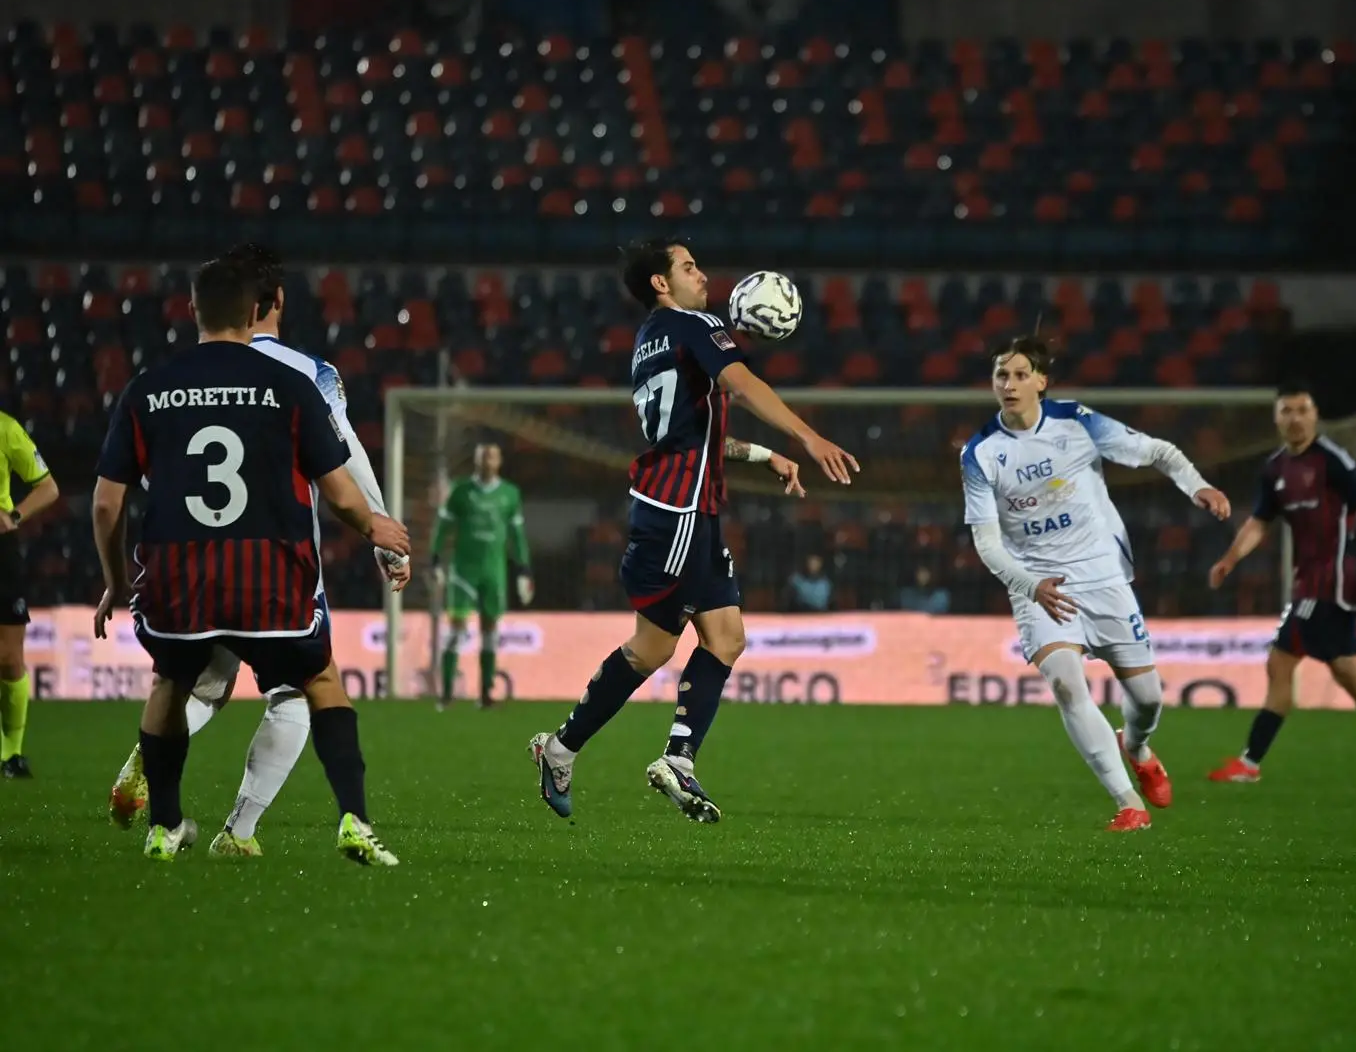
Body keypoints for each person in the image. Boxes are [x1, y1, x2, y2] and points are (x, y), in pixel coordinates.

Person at [528, 237, 858, 822]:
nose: (702, 276)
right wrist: (807, 437)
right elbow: (743, 384)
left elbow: (692, 434)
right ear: (661, 283)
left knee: (724, 637)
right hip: (677, 512)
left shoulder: (649, 340)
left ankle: (649, 756)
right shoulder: (693, 325)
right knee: (652, 647)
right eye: (688, 267)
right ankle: (583, 748)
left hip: (682, 509)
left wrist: (764, 457)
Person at [91, 257, 408, 863]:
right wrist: (378, 528)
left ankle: (162, 817)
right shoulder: (301, 378)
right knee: (306, 686)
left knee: (179, 683)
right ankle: (258, 828)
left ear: (192, 310)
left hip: (178, 574)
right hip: (273, 569)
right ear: (267, 305)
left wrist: (113, 581)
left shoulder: (149, 387)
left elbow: (107, 505)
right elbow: (346, 473)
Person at [961, 335, 1230, 831]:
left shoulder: (1078, 423)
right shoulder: (980, 454)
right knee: (1066, 684)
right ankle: (1130, 803)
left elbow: (1160, 452)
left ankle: (1138, 746)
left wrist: (1199, 486)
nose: (1010, 384)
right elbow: (987, 544)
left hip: (1102, 573)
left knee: (1147, 697)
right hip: (1040, 585)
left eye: (1021, 374)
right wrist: (1029, 585)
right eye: (1002, 375)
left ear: (1042, 381)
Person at [1206, 382, 1356, 785]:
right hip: (1309, 583)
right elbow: (1259, 522)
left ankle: (1250, 763)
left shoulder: (1332, 460)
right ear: (1276, 419)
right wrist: (1230, 559)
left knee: (1285, 662)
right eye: (1287, 411)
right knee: (1343, 671)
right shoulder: (1275, 468)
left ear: (1314, 416)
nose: (1295, 418)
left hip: (1333, 583)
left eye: (1302, 410)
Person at [429, 442, 533, 709]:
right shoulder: (461, 491)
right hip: (463, 571)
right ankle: (447, 693)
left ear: (499, 461)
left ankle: (486, 694)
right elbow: (444, 526)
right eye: (483, 455)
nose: (488, 460)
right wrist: (435, 558)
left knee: (489, 630)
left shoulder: (510, 494)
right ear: (476, 459)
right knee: (457, 629)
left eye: (492, 455)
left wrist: (523, 567)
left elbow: (517, 535)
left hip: (494, 571)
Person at [0, 409, 60, 778]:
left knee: (8, 658)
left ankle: (12, 753)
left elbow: (48, 487)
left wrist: (14, 517)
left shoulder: (6, 429)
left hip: (1, 552)